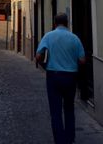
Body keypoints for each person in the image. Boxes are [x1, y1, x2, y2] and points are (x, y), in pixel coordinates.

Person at [36, 13, 85, 144]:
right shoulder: (75, 38)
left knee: (55, 111)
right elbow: (82, 60)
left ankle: (59, 140)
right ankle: (70, 139)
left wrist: (44, 65)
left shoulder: (49, 36)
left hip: (53, 76)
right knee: (69, 109)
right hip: (70, 77)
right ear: (67, 23)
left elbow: (38, 56)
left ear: (55, 23)